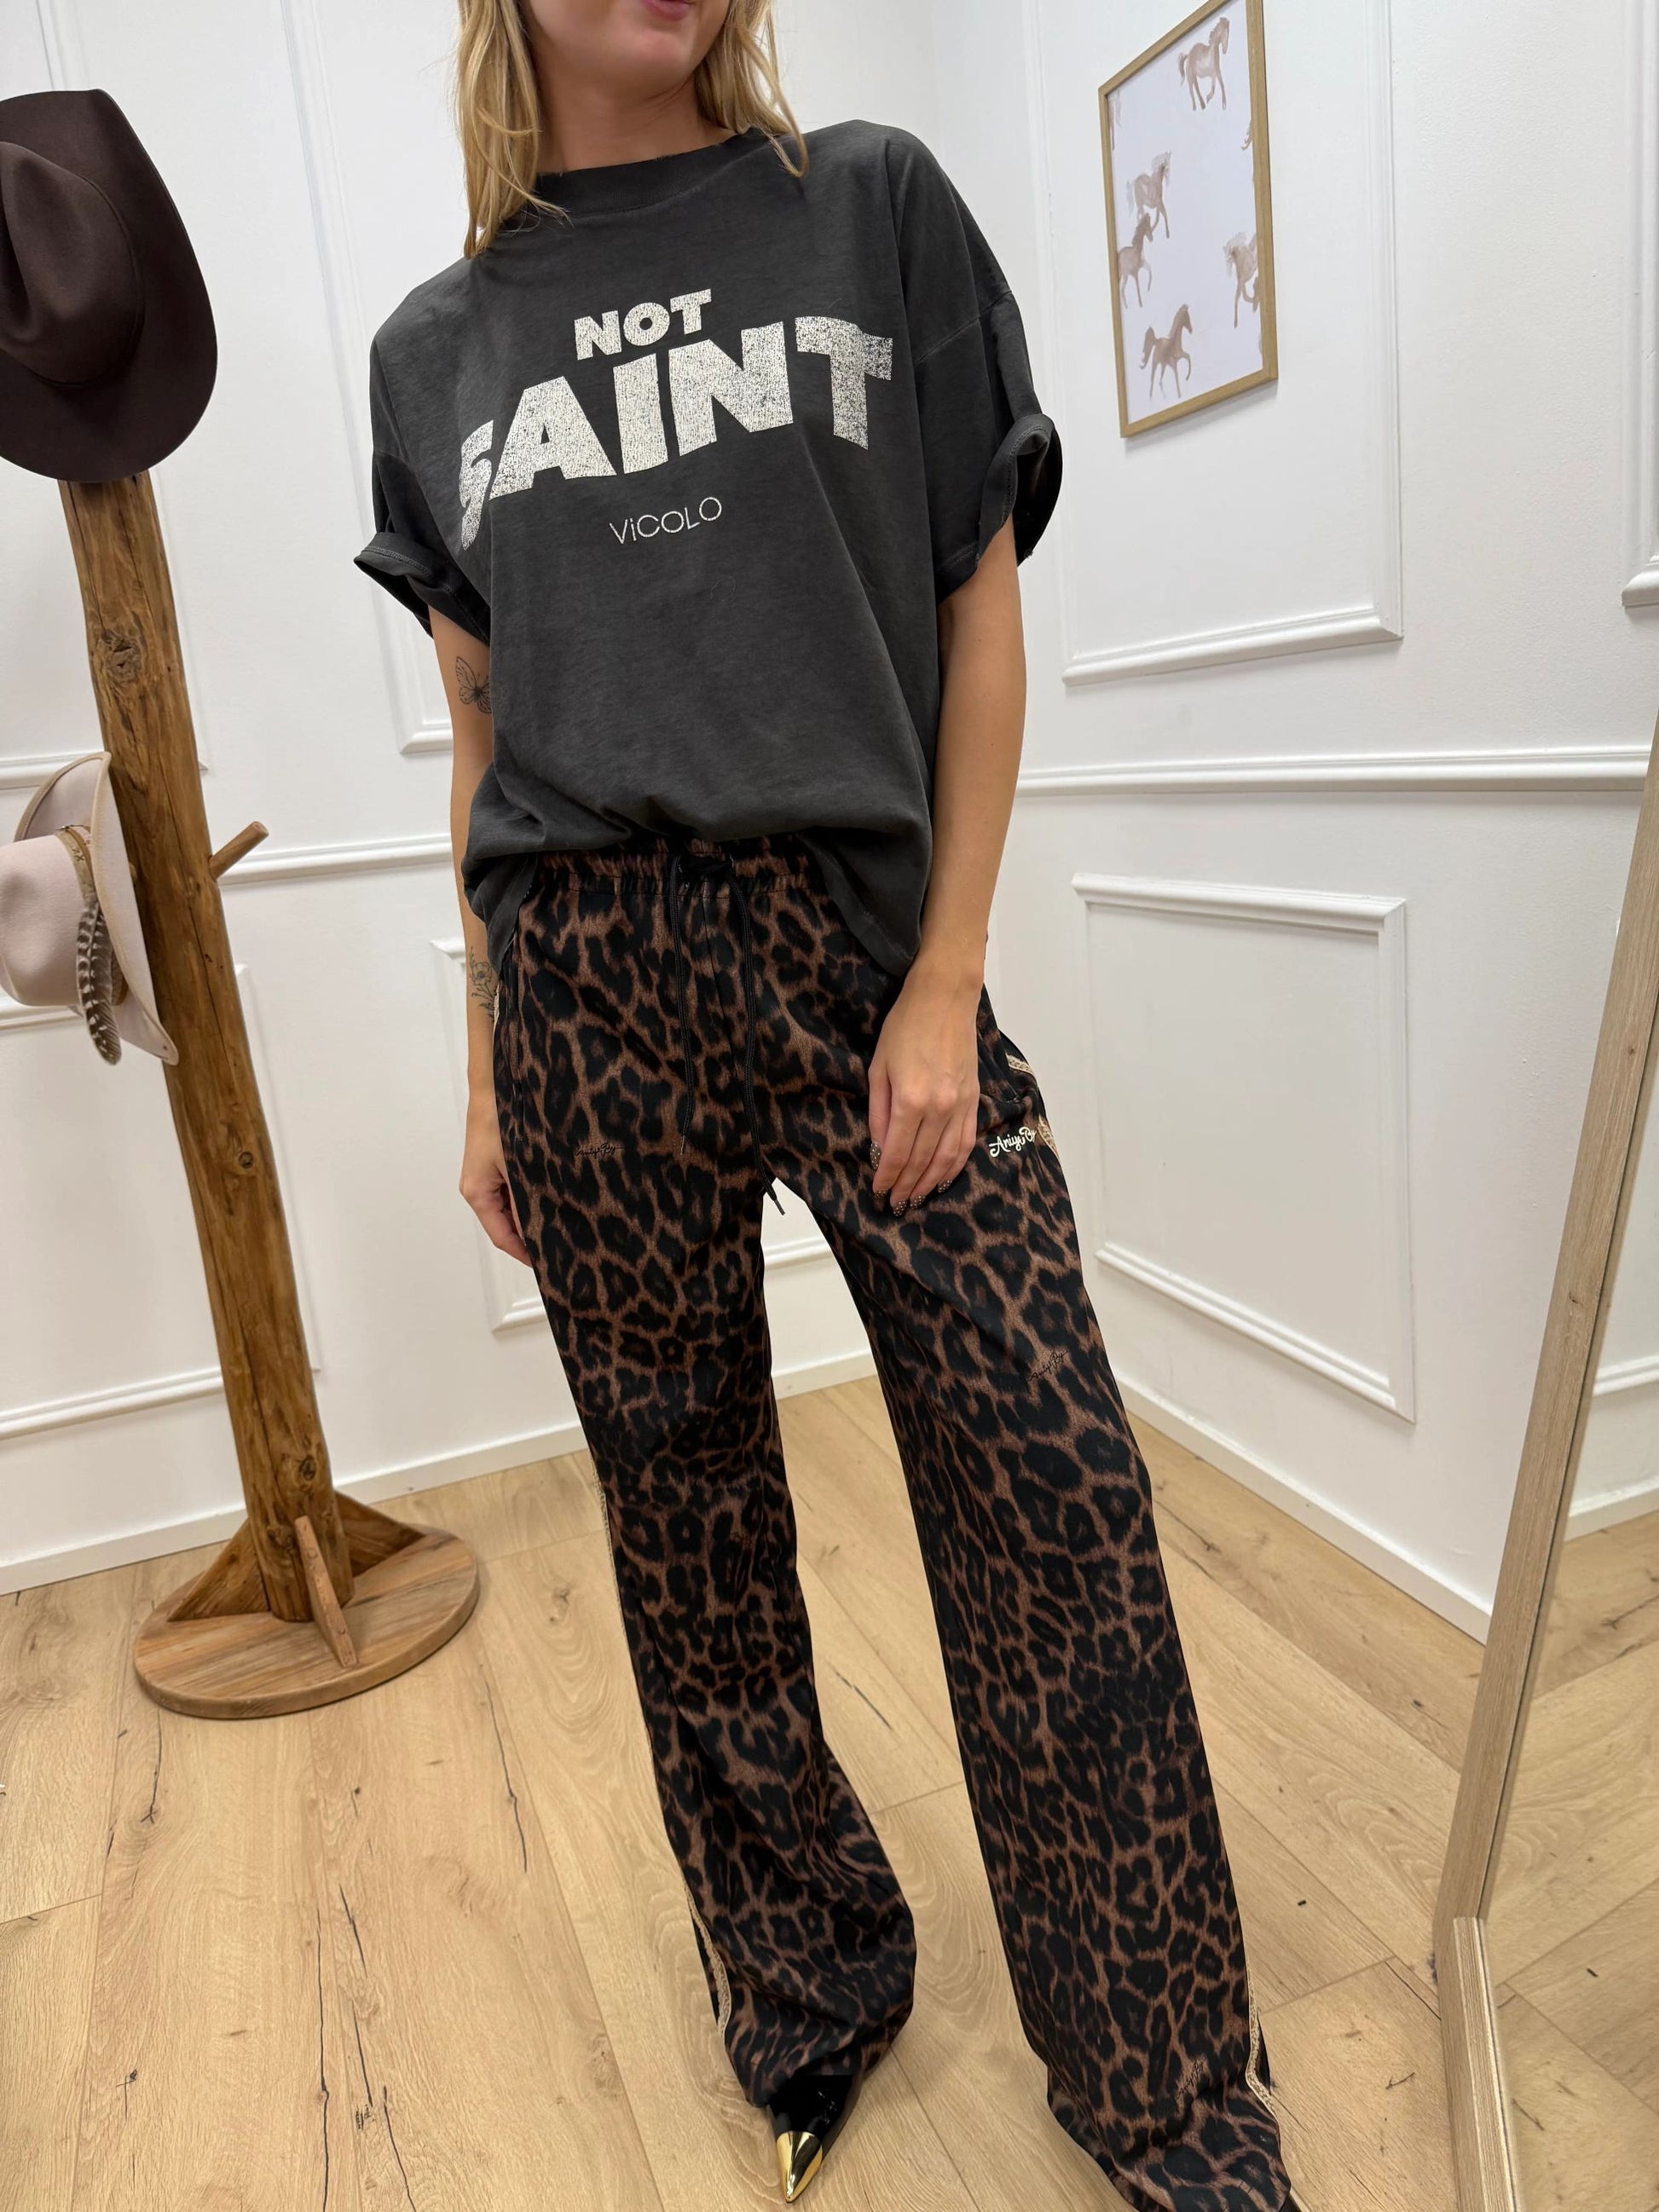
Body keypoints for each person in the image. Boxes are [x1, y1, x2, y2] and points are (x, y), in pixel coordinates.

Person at [354, 3, 1300, 2207]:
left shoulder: (867, 204)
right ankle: (808, 1987)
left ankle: (1166, 2093)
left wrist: (946, 974)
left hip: (859, 944)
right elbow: (480, 733)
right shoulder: (432, 351)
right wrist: (487, 1061)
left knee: (1053, 1492)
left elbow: (976, 603)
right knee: (685, 1535)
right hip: (581, 984)